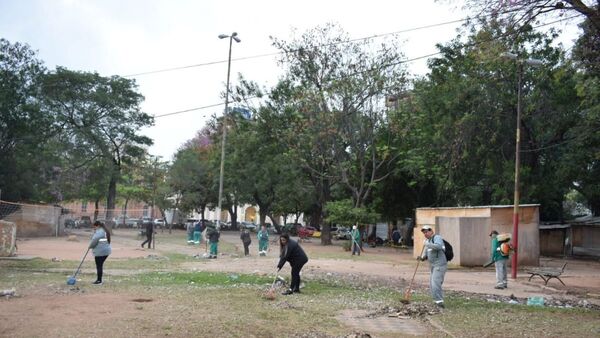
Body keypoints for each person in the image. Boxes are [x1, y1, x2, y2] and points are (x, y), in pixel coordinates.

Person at [417, 225, 447, 308]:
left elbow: (438, 246)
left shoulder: (436, 237)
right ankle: (436, 301)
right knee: (431, 283)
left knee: (435, 283)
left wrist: (427, 243)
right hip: (432, 265)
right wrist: (422, 258)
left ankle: (440, 303)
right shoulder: (428, 241)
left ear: (431, 231)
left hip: (440, 264)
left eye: (426, 232)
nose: (425, 234)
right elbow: (427, 253)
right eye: (424, 233)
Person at [89, 221, 111, 285]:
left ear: (98, 226)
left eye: (94, 227)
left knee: (99, 266)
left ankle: (99, 281)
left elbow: (95, 239)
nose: (94, 228)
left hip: (101, 252)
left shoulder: (100, 231)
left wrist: (90, 246)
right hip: (105, 251)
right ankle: (99, 280)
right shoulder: (104, 230)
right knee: (100, 265)